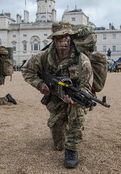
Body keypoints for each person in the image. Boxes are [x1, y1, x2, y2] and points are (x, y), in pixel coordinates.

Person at [21, 21, 93, 169]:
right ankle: (66, 129)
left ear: (71, 38)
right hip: (55, 99)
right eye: (60, 37)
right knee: (58, 144)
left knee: (77, 110)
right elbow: (26, 70)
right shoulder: (43, 56)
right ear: (54, 39)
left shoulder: (82, 60)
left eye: (67, 36)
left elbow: (86, 85)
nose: (64, 40)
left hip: (74, 98)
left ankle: (72, 150)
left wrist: (78, 98)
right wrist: (40, 84)